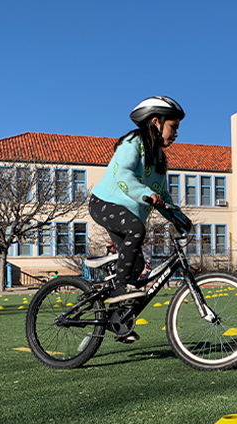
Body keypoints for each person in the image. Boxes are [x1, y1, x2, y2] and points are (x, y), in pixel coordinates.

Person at [88, 96, 191, 317]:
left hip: (127, 216)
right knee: (136, 229)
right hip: (103, 203)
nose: (176, 134)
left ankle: (118, 320)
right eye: (173, 127)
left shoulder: (161, 159)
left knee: (136, 266)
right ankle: (120, 287)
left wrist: (178, 217)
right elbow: (123, 174)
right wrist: (147, 194)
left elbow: (162, 195)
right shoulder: (133, 143)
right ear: (156, 122)